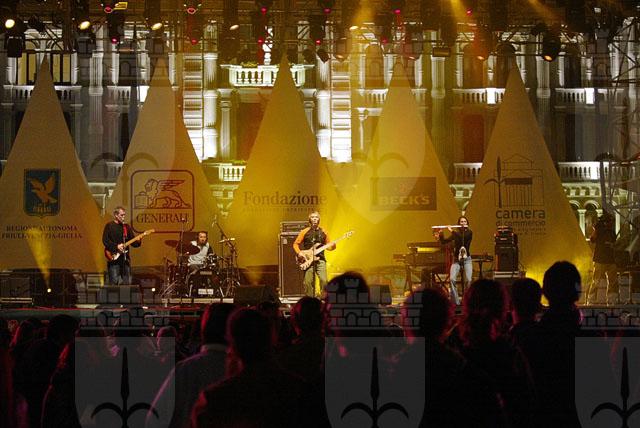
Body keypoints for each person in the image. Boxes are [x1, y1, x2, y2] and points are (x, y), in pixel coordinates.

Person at [293, 211, 336, 297]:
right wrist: (300, 253)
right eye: (312, 217)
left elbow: (328, 247)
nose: (314, 219)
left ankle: (323, 299)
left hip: (320, 260)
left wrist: (333, 246)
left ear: (319, 219)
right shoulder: (304, 231)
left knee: (324, 280)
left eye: (316, 217)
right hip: (308, 260)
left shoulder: (323, 232)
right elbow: (295, 244)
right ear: (309, 219)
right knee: (308, 282)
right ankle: (310, 299)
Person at [435, 216, 473, 305]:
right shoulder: (456, 233)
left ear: (467, 224)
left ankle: (466, 301)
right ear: (458, 223)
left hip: (467, 259)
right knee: (452, 279)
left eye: (464, 221)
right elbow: (444, 242)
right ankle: (456, 302)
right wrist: (441, 234)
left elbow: (462, 238)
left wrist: (451, 230)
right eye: (461, 222)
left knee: (469, 279)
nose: (463, 223)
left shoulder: (469, 232)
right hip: (456, 260)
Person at [102, 206, 142, 285]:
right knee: (114, 282)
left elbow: (133, 243)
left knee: (127, 282)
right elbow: (105, 241)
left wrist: (139, 240)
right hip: (114, 258)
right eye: (121, 215)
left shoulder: (126, 227)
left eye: (124, 215)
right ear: (116, 215)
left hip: (125, 259)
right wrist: (116, 246)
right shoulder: (109, 226)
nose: (123, 217)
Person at [586, 211, 619, 305]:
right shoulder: (599, 230)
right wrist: (596, 230)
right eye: (609, 221)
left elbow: (613, 241)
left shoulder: (611, 232)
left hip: (610, 259)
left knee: (613, 281)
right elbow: (592, 239)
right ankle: (591, 300)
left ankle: (611, 299)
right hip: (600, 259)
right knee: (596, 280)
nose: (611, 223)